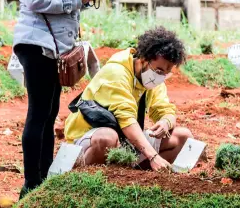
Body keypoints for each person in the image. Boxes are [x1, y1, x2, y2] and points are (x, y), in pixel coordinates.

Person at [64, 26, 193, 171]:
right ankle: (79, 177)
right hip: (89, 137)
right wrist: (152, 156)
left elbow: (165, 109)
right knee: (106, 138)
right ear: (144, 59)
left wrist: (165, 121)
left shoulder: (153, 79)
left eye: (166, 73)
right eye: (159, 71)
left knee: (183, 137)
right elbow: (126, 120)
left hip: (125, 140)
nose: (161, 77)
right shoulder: (116, 72)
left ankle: (131, 177)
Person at [12, 0, 94, 199]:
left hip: (55, 47)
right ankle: (30, 185)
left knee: (49, 114)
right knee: (39, 113)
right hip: (37, 45)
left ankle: (44, 179)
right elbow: (36, 2)